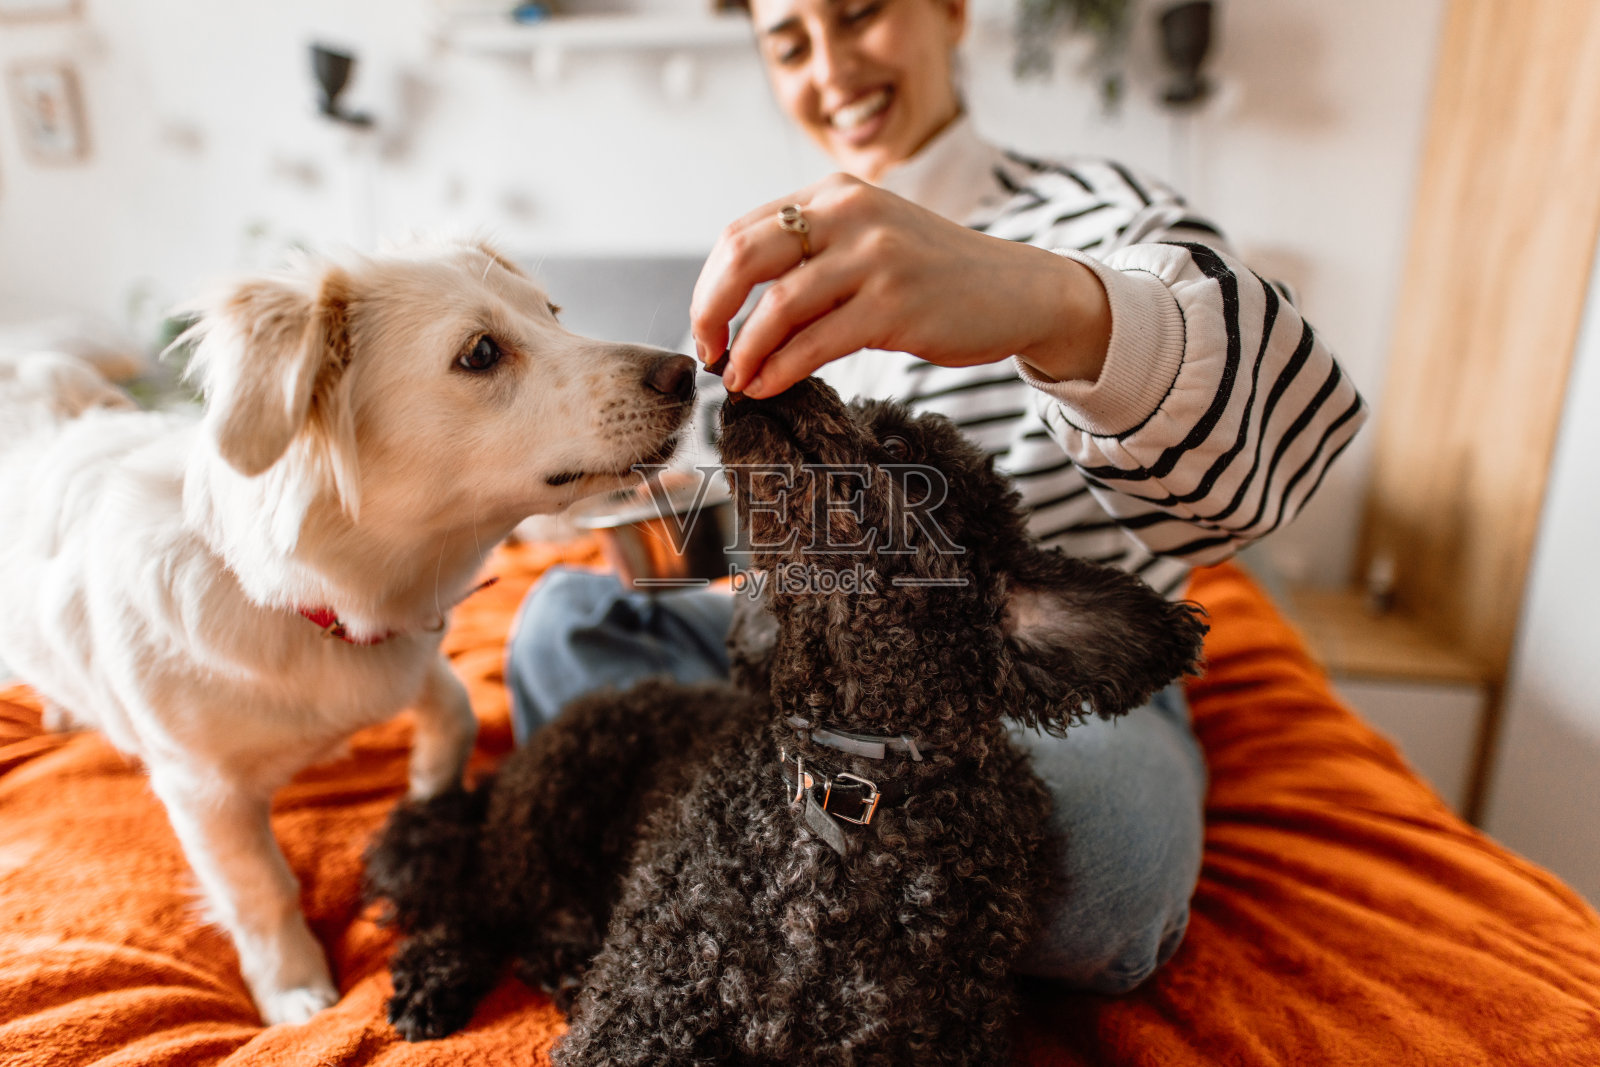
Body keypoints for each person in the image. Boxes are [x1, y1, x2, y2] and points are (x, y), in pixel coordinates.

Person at [506, 0, 1366, 992]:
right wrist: (676, 526)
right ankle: (805, 811)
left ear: (950, 11)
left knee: (1100, 859)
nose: (829, 69)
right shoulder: (764, 263)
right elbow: (733, 526)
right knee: (561, 621)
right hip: (791, 651)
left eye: (859, 13)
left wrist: (1045, 300)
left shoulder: (1103, 213)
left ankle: (784, 821)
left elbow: (1285, 429)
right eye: (788, 43)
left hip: (1005, 677)